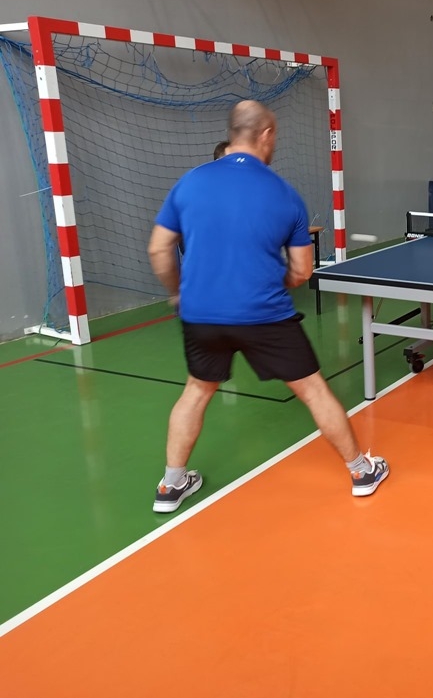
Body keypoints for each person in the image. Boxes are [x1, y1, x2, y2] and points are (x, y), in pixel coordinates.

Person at [147, 100, 389, 513]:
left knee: (197, 391)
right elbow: (302, 271)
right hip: (264, 315)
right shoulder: (285, 195)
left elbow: (158, 249)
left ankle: (171, 486)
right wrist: (272, 280)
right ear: (265, 134)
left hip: (201, 315)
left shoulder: (189, 183)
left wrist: (178, 292)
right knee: (313, 391)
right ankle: (361, 471)